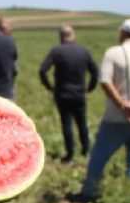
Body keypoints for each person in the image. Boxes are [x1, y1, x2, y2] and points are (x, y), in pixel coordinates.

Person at [65, 19, 130, 203]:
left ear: (123, 33)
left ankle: (89, 193)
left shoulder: (113, 53)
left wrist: (122, 106)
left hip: (115, 118)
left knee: (98, 156)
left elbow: (104, 80)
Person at [39, 25, 99, 163]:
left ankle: (70, 154)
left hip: (62, 94)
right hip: (79, 93)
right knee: (82, 123)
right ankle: (86, 150)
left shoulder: (57, 51)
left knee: (66, 124)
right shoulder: (84, 51)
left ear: (61, 36)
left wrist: (49, 87)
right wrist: (90, 87)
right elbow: (95, 71)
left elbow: (42, 70)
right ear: (73, 35)